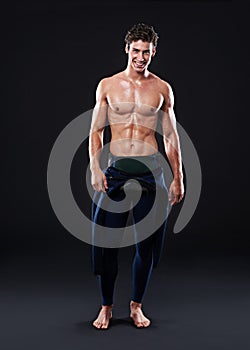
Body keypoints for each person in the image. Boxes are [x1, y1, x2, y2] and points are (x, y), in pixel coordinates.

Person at [89, 23, 184, 329]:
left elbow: (170, 136)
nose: (141, 57)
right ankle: (106, 306)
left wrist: (178, 175)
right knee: (106, 244)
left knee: (147, 245)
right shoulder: (108, 85)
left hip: (150, 173)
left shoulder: (162, 89)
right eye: (136, 50)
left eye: (147, 51)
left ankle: (136, 306)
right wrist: (94, 167)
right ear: (126, 49)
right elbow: (96, 131)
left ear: (154, 51)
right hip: (115, 173)